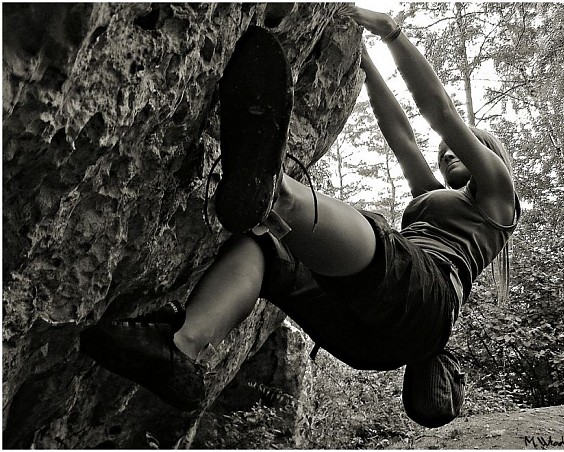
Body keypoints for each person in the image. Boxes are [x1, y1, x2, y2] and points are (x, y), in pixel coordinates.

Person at [81, 7, 520, 429]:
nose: (445, 153)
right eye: (443, 154)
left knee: (379, 241)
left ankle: (276, 191)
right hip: (371, 337)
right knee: (264, 250)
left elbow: (439, 113)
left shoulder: (498, 198)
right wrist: (361, 60)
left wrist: (391, 34)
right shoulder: (431, 197)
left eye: (460, 148)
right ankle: (181, 349)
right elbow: (401, 133)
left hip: (426, 297)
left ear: (489, 154)